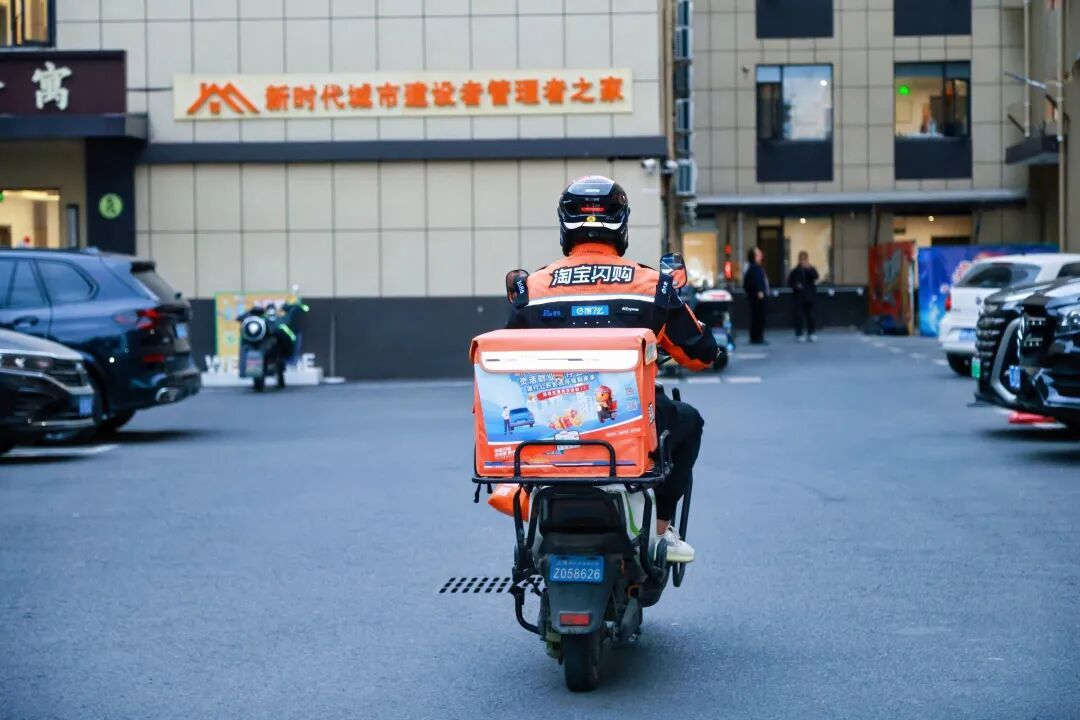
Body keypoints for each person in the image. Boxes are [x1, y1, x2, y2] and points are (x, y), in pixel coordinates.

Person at [505, 176, 720, 564]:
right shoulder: (652, 286)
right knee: (689, 421)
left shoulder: (533, 287)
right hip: (628, 426)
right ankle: (660, 532)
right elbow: (701, 354)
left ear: (565, 225)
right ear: (621, 225)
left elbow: (507, 363)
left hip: (551, 425)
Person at [787, 250, 819, 342]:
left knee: (811, 316)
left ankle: (811, 333)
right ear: (799, 260)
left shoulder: (811, 268)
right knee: (799, 316)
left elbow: (816, 276)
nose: (803, 261)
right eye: (802, 259)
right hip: (799, 297)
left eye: (805, 259)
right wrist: (796, 286)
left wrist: (809, 268)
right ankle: (799, 333)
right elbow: (789, 283)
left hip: (810, 296)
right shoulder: (795, 271)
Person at [743, 247, 769, 345]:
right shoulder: (753, 268)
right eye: (758, 254)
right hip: (757, 296)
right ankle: (757, 338)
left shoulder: (757, 267)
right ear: (753, 257)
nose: (761, 256)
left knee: (759, 317)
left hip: (758, 295)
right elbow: (752, 282)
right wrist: (758, 291)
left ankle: (758, 337)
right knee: (758, 317)